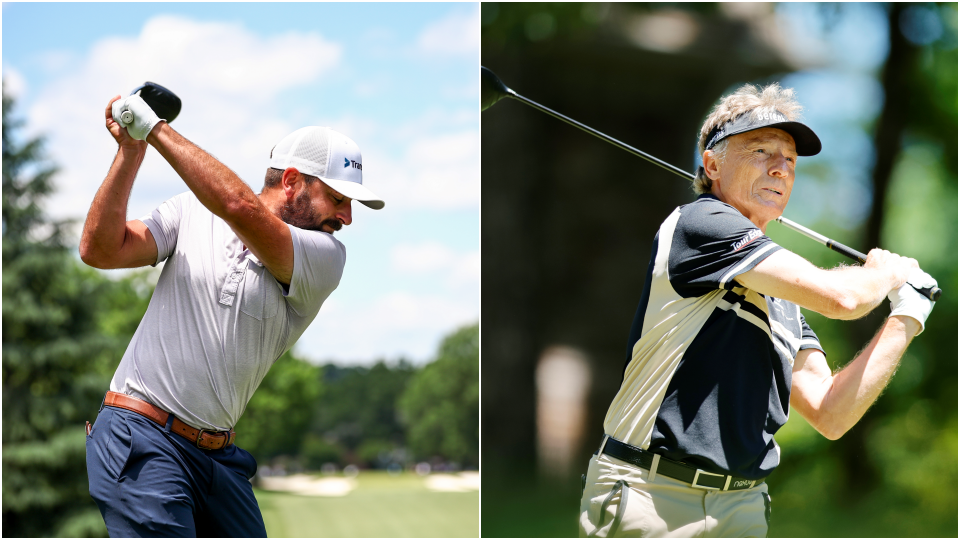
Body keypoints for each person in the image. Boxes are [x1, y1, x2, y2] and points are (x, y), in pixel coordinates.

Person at [578, 83, 937, 538]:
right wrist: (887, 272)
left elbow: (830, 413)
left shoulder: (782, 298)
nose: (779, 169)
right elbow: (842, 298)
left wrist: (906, 317)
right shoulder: (700, 223)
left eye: (789, 160)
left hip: (742, 507)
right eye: (761, 150)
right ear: (712, 164)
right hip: (652, 497)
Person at [81, 92, 384, 537]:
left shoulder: (326, 258)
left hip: (218, 459)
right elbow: (100, 250)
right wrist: (131, 151)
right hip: (141, 435)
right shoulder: (189, 209)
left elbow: (239, 207)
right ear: (293, 181)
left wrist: (155, 127)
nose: (347, 217)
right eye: (338, 198)